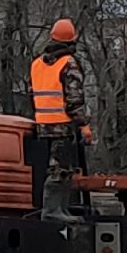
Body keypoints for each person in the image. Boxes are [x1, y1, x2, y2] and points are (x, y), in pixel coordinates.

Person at [30, 18, 91, 222]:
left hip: (43, 125)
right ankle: (53, 212)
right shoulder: (69, 64)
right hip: (62, 124)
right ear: (72, 41)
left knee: (56, 167)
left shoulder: (37, 64)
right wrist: (83, 125)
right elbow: (74, 100)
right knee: (60, 168)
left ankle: (60, 211)